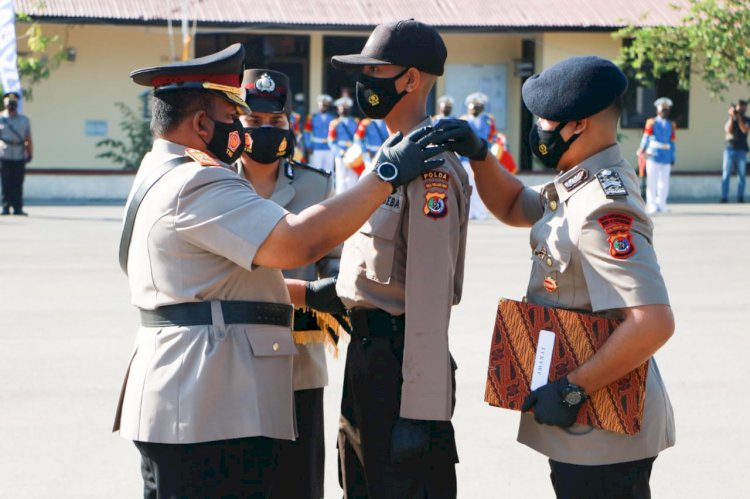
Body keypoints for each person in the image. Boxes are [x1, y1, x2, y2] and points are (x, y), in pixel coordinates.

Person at [112, 43, 449, 498]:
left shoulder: (161, 169)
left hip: (202, 400)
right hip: (202, 408)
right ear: (200, 123)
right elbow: (297, 242)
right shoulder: (197, 181)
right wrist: (386, 172)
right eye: (233, 115)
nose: (239, 127)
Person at [436, 55, 676, 499]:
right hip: (588, 422)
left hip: (605, 428)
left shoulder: (605, 206)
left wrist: (570, 390)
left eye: (545, 119)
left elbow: (653, 321)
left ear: (579, 124)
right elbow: (515, 207)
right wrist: (480, 154)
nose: (538, 128)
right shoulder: (579, 182)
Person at [329, 18, 472, 499]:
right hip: (366, 359)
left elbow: (429, 301)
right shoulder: (390, 155)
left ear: (411, 79)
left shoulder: (430, 168)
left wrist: (421, 411)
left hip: (401, 369)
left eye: (376, 70)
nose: (365, 80)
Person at [238, 68, 339, 499]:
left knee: (298, 482)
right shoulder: (213, 182)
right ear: (235, 125)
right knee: (240, 478)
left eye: (275, 121)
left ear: (289, 124)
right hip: (231, 355)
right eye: (253, 122)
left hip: (297, 357)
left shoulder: (316, 185)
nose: (265, 130)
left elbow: (336, 275)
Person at [637, 97, 676, 214]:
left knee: (664, 182)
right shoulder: (651, 123)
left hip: (666, 156)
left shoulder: (671, 125)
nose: (664, 112)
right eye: (662, 110)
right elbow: (646, 138)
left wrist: (673, 157)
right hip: (653, 155)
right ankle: (652, 204)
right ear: (658, 111)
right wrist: (642, 149)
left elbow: (672, 142)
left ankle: (662, 204)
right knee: (652, 181)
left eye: (666, 110)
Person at [461, 92, 496, 219]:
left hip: (482, 157)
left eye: (478, 107)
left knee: (481, 185)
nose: (475, 109)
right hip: (466, 158)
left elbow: (492, 137)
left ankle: (480, 211)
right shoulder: (463, 120)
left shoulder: (487, 120)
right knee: (468, 185)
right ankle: (469, 211)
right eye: (473, 106)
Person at [0, 92, 32, 216]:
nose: (11, 107)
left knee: (18, 183)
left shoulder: (24, 120)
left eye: (14, 104)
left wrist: (30, 153)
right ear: (5, 104)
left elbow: (28, 138)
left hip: (19, 155)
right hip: (4, 154)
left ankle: (18, 208)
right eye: (9, 104)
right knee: (5, 182)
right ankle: (5, 207)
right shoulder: (1, 118)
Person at [329, 96, 360, 193]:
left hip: (353, 152)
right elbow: (331, 141)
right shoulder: (334, 123)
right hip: (340, 152)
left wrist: (356, 150)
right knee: (340, 177)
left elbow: (359, 138)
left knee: (353, 177)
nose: (343, 110)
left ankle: (352, 197)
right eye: (341, 108)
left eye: (346, 108)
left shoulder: (356, 121)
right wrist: (339, 151)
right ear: (338, 109)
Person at [721, 99, 748, 203]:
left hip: (741, 149)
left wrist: (739, 118)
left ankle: (740, 197)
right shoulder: (730, 118)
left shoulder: (746, 119)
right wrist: (732, 117)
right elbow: (728, 130)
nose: (741, 109)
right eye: (740, 106)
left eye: (743, 107)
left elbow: (744, 129)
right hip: (729, 148)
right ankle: (724, 197)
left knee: (741, 174)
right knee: (726, 173)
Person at [303, 94, 335, 173]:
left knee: (329, 170)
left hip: (329, 147)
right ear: (318, 105)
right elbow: (307, 132)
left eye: (325, 105)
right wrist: (308, 145)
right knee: (317, 169)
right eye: (322, 105)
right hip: (316, 147)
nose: (323, 107)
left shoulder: (333, 117)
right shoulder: (312, 117)